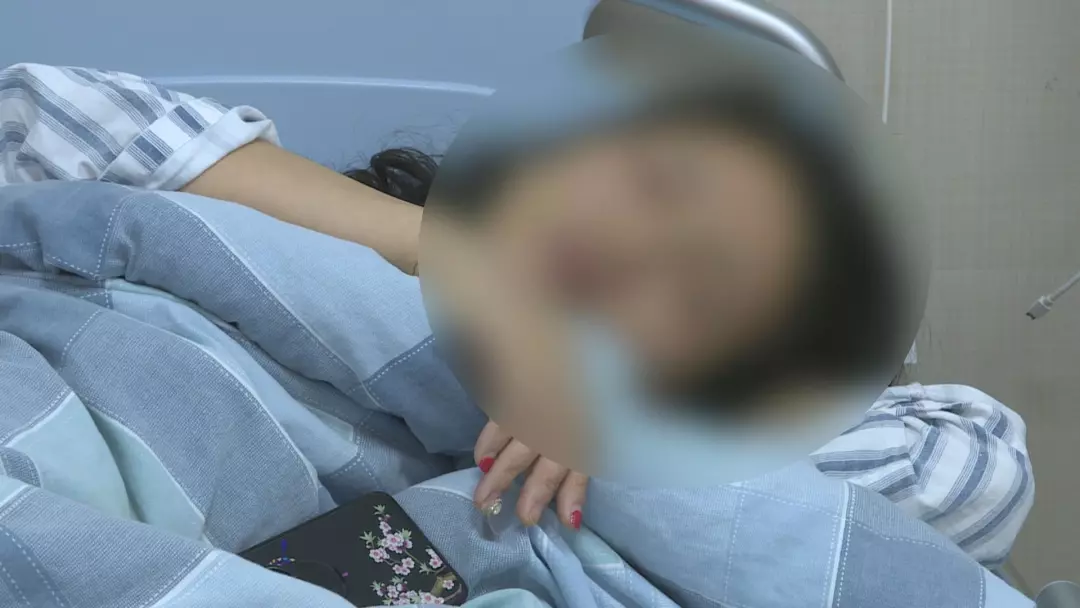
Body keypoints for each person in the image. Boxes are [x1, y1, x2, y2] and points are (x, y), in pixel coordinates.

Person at [0, 62, 1032, 575]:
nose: (645, 249)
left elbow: (972, 470)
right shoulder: (332, 244)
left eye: (704, 284)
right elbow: (44, 116)